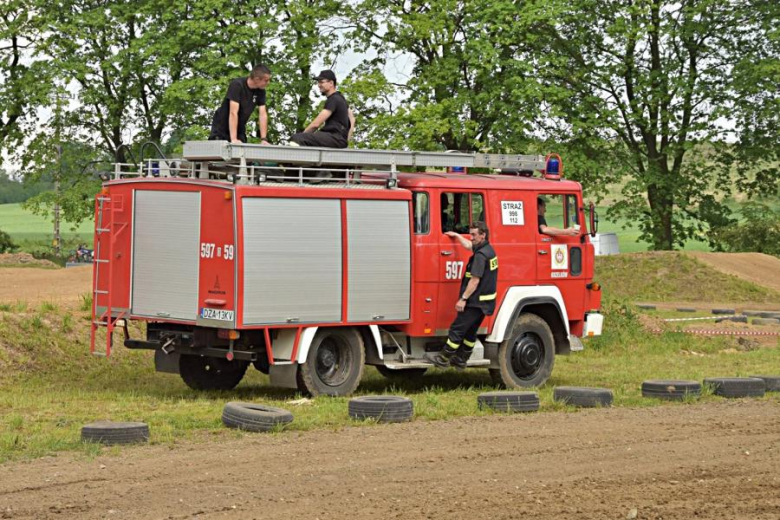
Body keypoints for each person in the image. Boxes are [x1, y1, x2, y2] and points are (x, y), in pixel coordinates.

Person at [424, 222, 498, 370]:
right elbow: (469, 246)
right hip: (485, 303)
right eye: (470, 234)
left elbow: (475, 280)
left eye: (474, 235)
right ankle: (461, 359)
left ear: (483, 235)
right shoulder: (488, 250)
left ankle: (443, 358)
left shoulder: (480, 256)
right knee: (471, 331)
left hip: (475, 301)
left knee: (457, 329)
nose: (471, 238)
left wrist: (463, 299)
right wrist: (457, 236)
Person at [290, 70, 355, 148]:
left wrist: (301, 137)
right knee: (309, 141)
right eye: (318, 82)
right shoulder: (341, 98)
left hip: (334, 137)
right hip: (338, 140)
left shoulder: (333, 99)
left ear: (331, 83)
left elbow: (315, 125)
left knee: (296, 138)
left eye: (321, 82)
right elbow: (352, 119)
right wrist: (346, 142)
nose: (319, 85)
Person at [209, 65, 272, 144]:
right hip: (222, 127)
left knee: (242, 151)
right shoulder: (237, 85)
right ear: (257, 79)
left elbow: (262, 114)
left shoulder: (261, 91)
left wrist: (264, 139)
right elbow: (233, 112)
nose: (268, 83)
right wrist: (234, 139)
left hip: (239, 127)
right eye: (266, 80)